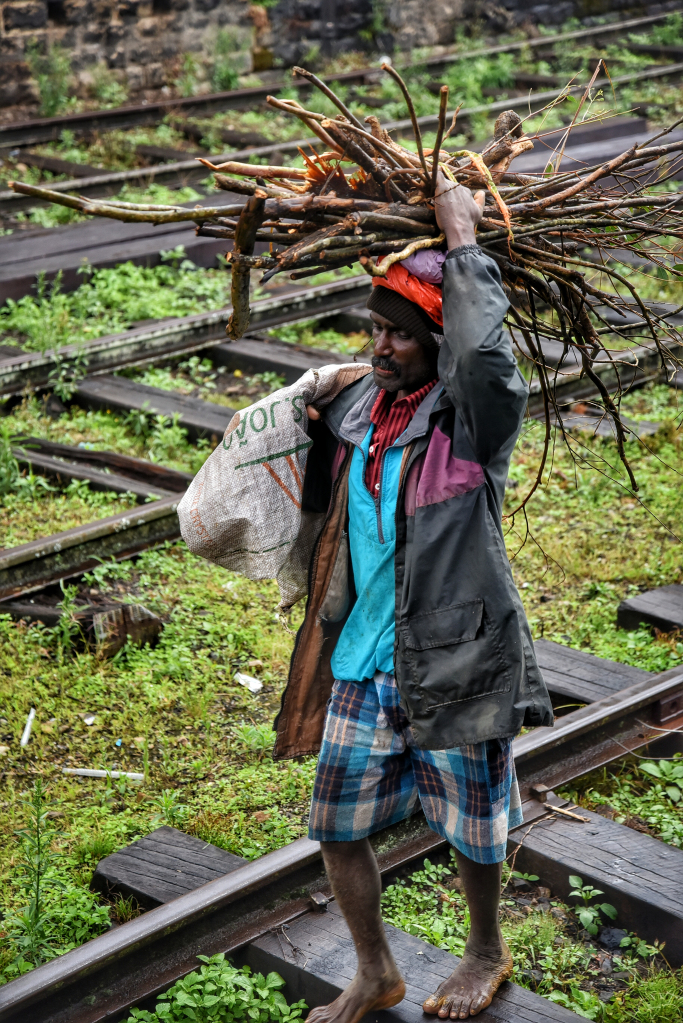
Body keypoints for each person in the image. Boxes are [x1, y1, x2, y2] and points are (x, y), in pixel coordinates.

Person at [272, 176, 554, 1022]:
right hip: (363, 652)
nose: (380, 346)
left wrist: (463, 242)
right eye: (374, 329)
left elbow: (485, 363)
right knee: (336, 820)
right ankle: (374, 970)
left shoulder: (471, 422)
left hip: (455, 652)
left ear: (438, 341)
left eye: (400, 334)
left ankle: (483, 949)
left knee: (471, 826)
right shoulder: (363, 404)